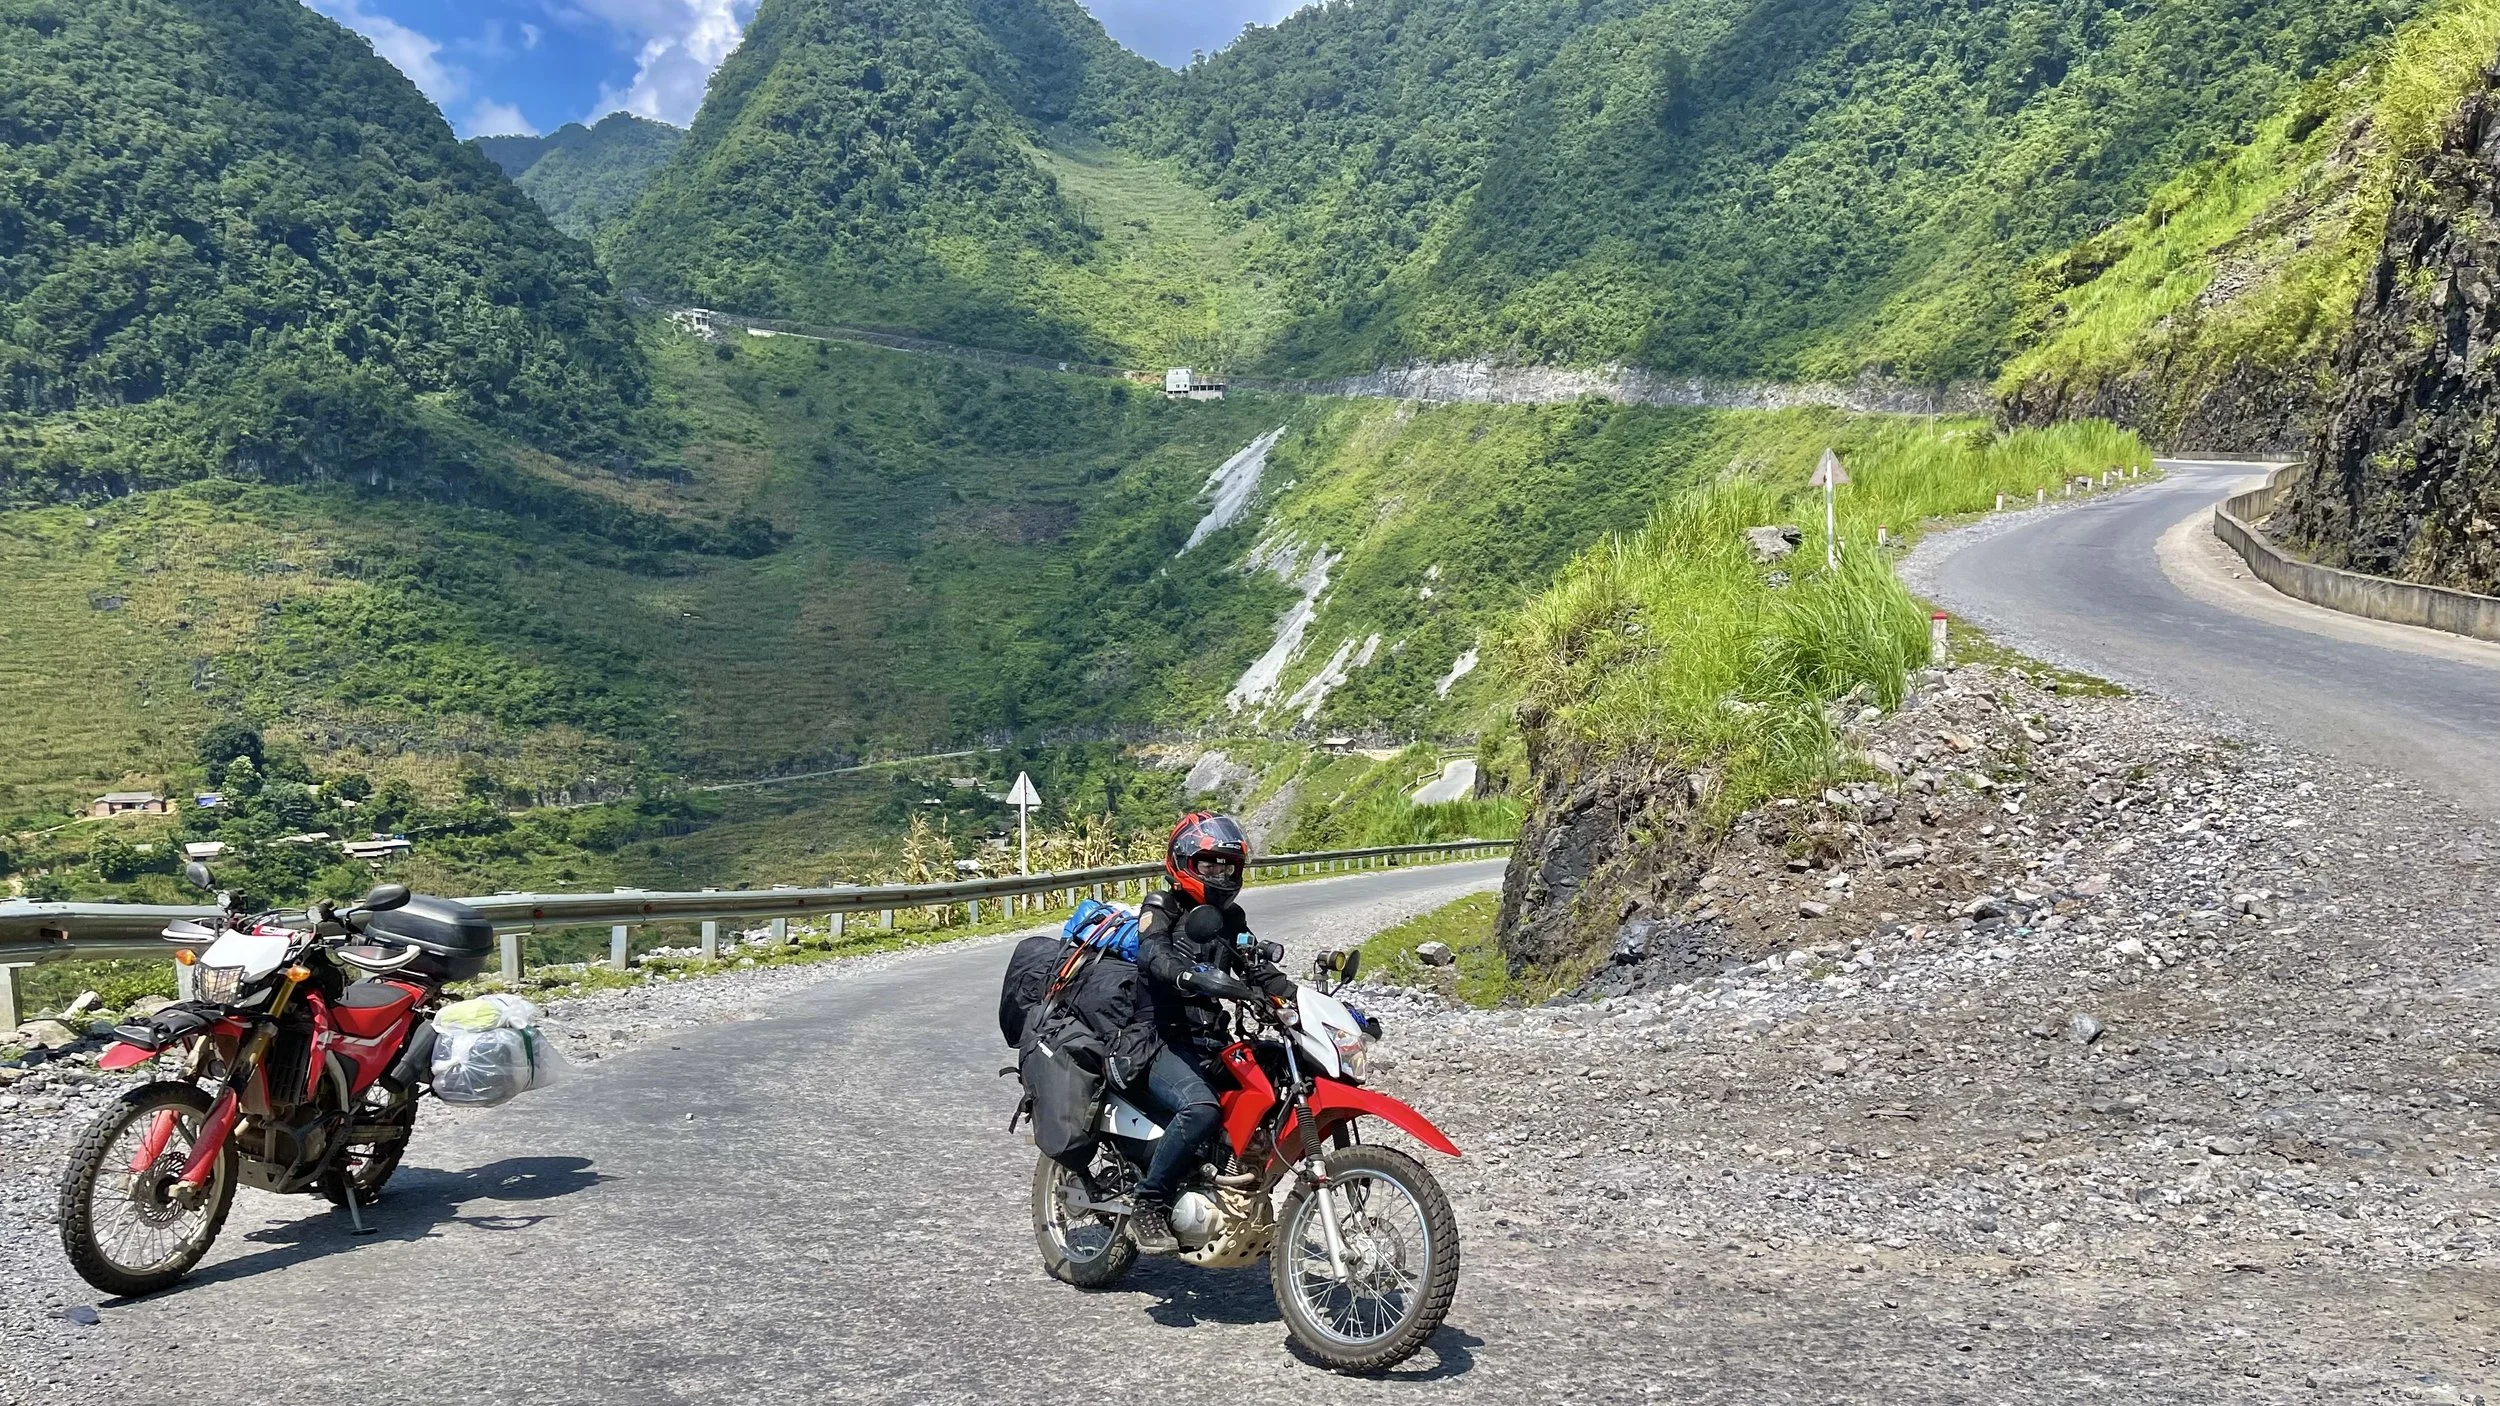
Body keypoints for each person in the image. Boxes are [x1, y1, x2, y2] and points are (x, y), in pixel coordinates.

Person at [1127, 811, 1294, 1253]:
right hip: (1158, 1038)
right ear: (1184, 863)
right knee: (1201, 1110)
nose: (1220, 872)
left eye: (1228, 865)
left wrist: (1305, 1002)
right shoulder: (1161, 907)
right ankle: (1149, 1203)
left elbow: (1257, 967)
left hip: (1207, 1040)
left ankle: (1229, 1181)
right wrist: (1186, 976)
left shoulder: (1231, 918)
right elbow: (1154, 957)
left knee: (1277, 1076)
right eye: (1210, 863)